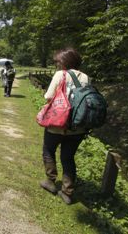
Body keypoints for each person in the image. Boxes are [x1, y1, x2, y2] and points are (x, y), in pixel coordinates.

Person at [39, 47, 90, 204]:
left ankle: (50, 181)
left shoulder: (60, 75)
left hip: (57, 124)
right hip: (77, 126)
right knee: (68, 157)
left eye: (59, 61)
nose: (58, 64)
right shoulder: (86, 77)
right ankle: (67, 192)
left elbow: (48, 97)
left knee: (48, 150)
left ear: (64, 62)